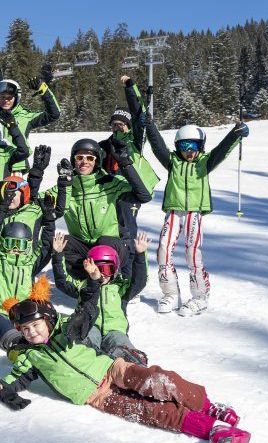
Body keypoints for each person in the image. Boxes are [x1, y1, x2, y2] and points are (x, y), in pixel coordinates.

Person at [0, 280, 251, 443]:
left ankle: (207, 405)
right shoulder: (31, 357)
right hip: (98, 397)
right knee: (149, 412)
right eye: (25, 329)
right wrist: (0, 387)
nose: (31, 332)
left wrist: (91, 283)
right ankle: (211, 429)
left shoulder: (67, 330)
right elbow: (16, 379)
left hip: (112, 370)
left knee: (158, 380)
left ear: (49, 319)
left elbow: (84, 312)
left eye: (36, 325)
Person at [143, 115, 249, 315]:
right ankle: (171, 294)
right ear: (178, 146)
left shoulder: (205, 163)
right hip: (174, 211)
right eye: (184, 146)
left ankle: (200, 297)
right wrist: (149, 126)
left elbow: (222, 150)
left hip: (194, 213)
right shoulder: (173, 162)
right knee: (163, 250)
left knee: (192, 253)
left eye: (193, 145)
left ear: (200, 146)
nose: (189, 151)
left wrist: (235, 134)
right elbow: (157, 146)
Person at [49, 137, 152, 281]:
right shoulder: (67, 187)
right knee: (64, 242)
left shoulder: (109, 183)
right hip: (83, 245)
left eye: (90, 158)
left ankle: (111, 279)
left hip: (111, 245)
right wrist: (46, 178)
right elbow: (41, 201)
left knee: (104, 243)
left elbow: (143, 196)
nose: (84, 161)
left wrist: (125, 163)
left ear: (96, 161)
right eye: (80, 157)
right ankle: (86, 284)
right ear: (73, 161)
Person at [0, 185, 56, 347]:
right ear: (3, 243)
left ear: (28, 245)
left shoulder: (30, 262)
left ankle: (46, 342)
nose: (15, 249)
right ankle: (14, 343)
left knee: (36, 322)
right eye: (10, 243)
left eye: (21, 245)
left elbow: (45, 245)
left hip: (22, 313)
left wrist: (50, 220)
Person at [52, 233, 150, 366]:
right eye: (97, 268)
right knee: (85, 344)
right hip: (90, 327)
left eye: (107, 269)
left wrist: (140, 255)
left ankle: (135, 371)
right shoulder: (83, 286)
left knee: (123, 347)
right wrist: (58, 255)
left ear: (115, 269)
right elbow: (62, 282)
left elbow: (139, 281)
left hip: (115, 331)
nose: (102, 274)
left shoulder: (120, 288)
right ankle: (85, 367)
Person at [101, 76, 162, 272]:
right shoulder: (106, 145)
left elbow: (138, 113)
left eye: (122, 124)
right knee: (108, 230)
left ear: (128, 127)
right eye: (114, 124)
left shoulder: (135, 141)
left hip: (130, 191)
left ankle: (129, 273)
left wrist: (130, 88)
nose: (117, 127)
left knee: (127, 230)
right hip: (110, 192)